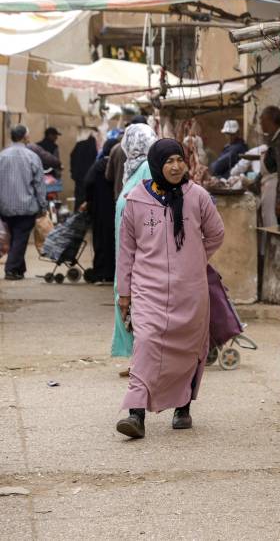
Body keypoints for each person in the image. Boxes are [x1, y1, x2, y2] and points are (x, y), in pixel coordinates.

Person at [115, 139, 225, 438]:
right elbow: (126, 251)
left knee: (190, 351)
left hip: (191, 291)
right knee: (146, 344)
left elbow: (216, 234)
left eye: (180, 160)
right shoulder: (135, 200)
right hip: (147, 289)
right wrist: (123, 293)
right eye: (169, 161)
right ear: (156, 165)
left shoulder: (197, 196)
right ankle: (135, 414)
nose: (176, 167)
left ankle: (183, 408)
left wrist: (193, 259)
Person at [111, 124, 157, 361]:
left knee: (135, 302)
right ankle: (135, 357)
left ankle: (142, 360)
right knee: (125, 298)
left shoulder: (148, 167)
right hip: (126, 247)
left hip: (140, 249)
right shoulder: (133, 168)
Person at [0, 125, 47, 280]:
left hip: (5, 206)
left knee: (15, 237)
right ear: (24, 137)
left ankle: (19, 268)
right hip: (26, 206)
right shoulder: (32, 157)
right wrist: (43, 205)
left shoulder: (2, 156)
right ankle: (11, 269)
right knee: (20, 238)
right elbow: (39, 184)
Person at [81, 138, 119, 284]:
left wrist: (89, 200)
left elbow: (88, 183)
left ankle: (100, 272)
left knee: (100, 240)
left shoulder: (98, 166)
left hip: (99, 209)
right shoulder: (119, 164)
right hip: (115, 208)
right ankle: (113, 273)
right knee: (115, 241)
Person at [107, 116, 147, 199]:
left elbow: (109, 176)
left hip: (121, 197)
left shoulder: (116, 148)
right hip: (143, 199)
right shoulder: (149, 149)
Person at [70, 133, 98, 211]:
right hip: (89, 178)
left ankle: (77, 216)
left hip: (78, 177)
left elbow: (72, 156)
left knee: (78, 198)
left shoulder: (79, 144)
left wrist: (73, 172)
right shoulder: (94, 147)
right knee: (88, 199)